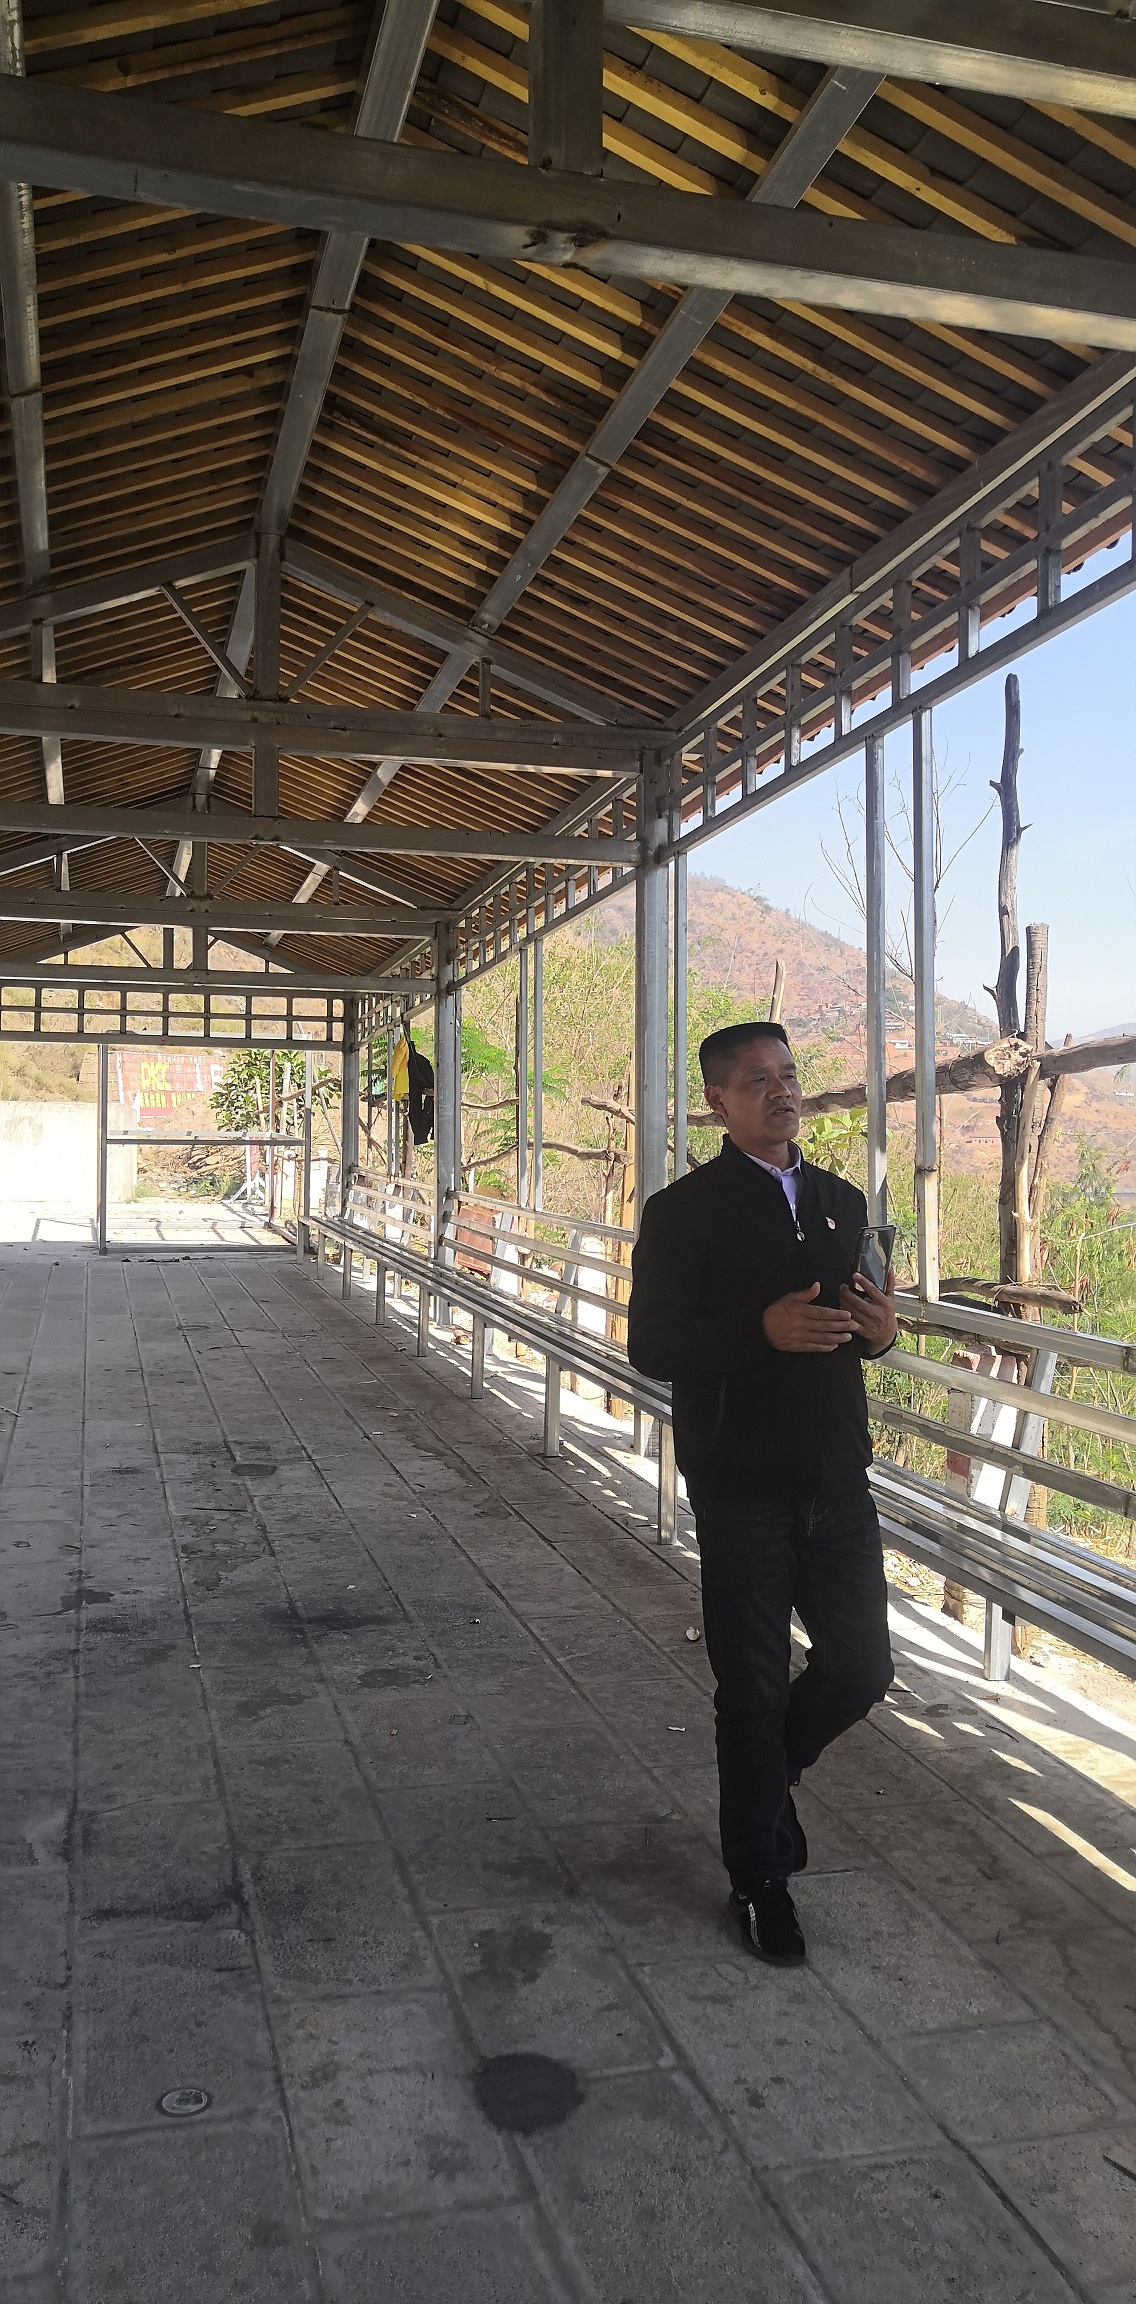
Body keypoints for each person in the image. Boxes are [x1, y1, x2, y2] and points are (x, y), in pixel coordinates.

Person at [626, 1019, 897, 1966]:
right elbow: (652, 1345)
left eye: (787, 1074)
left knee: (862, 1668)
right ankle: (759, 1879)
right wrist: (759, 1330)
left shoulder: (840, 1201)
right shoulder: (683, 1212)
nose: (781, 1091)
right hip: (740, 1481)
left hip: (837, 1476)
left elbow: (870, 1322)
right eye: (756, 1081)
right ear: (718, 1102)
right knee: (750, 1686)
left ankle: (771, 1777)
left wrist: (884, 1333)